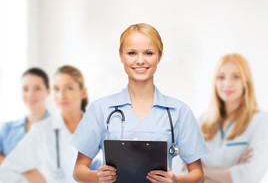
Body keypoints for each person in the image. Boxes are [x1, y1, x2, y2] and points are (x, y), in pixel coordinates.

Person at [72, 23, 208, 183]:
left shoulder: (179, 112)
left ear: (159, 56)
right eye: (132, 53)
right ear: (121, 56)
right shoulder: (100, 109)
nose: (140, 60)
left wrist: (176, 180)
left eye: (149, 53)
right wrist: (97, 177)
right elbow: (78, 171)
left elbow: (198, 175)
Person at [0, 65, 102, 183]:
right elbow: (6, 171)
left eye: (69, 88)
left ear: (83, 92)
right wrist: (29, 176)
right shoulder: (40, 131)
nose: (61, 95)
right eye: (56, 89)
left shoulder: (100, 128)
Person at [200, 53, 268, 183]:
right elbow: (181, 171)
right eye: (221, 77)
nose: (227, 84)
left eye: (236, 77)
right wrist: (232, 174)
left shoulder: (261, 122)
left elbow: (250, 175)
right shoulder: (201, 121)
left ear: (246, 82)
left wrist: (201, 171)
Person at [0, 67, 50, 165]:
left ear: (48, 91)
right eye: (25, 89)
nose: (30, 94)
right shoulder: (6, 129)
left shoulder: (60, 130)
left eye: (37, 89)